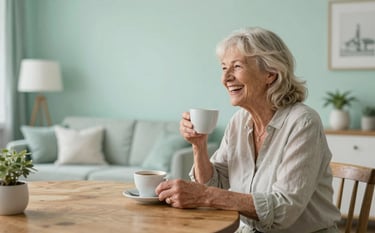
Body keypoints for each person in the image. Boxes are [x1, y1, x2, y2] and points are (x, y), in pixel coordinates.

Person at [155, 27, 341, 233]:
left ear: (270, 73)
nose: (225, 78)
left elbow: (283, 209)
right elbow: (215, 183)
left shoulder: (303, 123)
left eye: (236, 66)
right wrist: (199, 145)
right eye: (223, 68)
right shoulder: (239, 121)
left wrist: (203, 195)